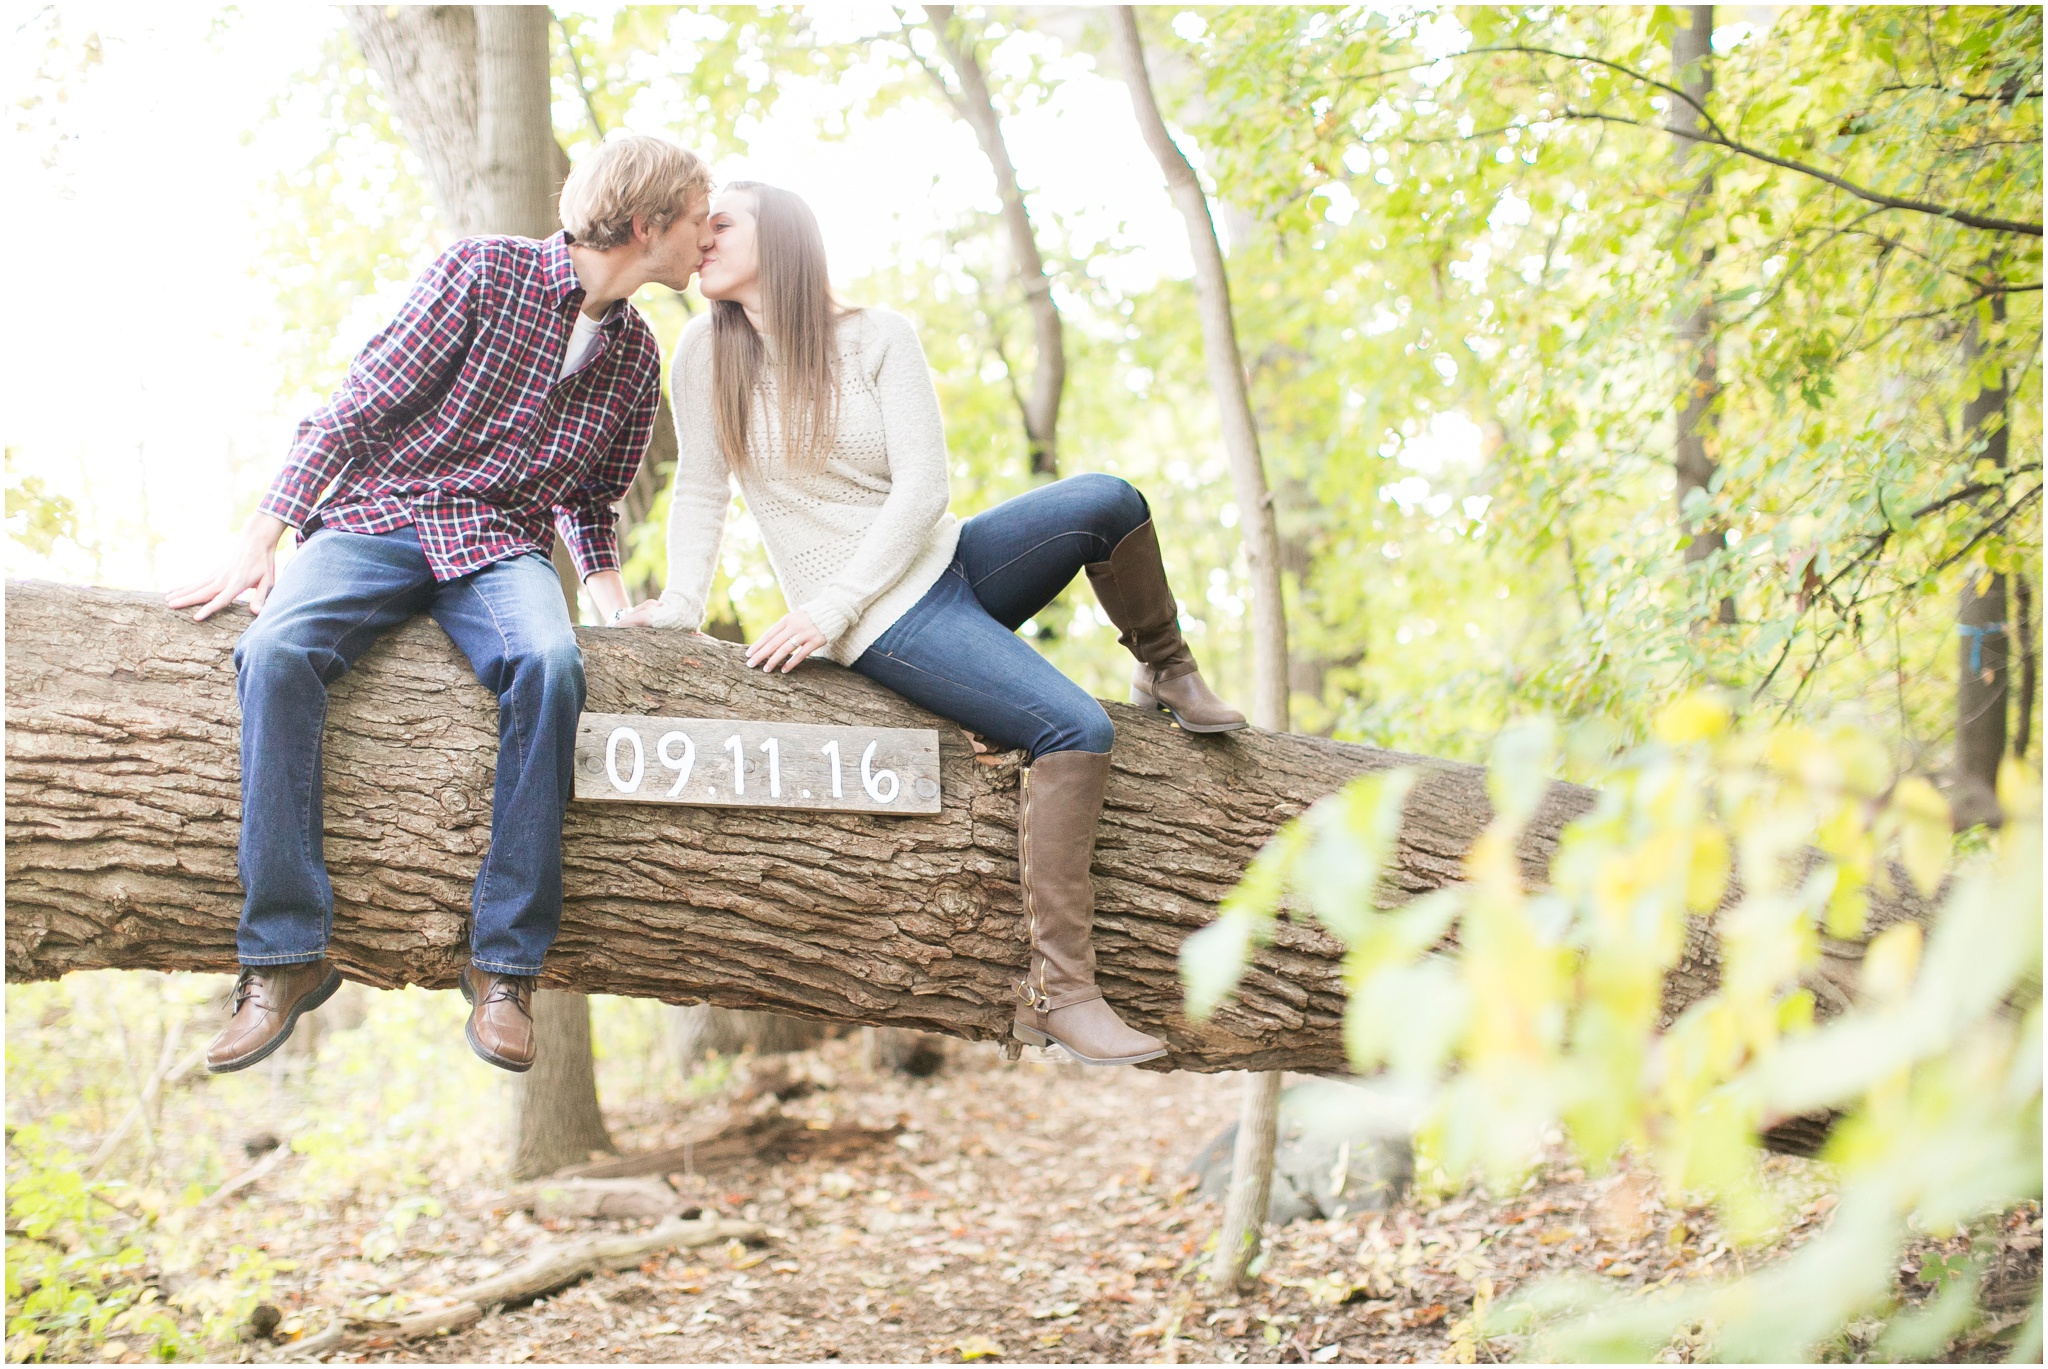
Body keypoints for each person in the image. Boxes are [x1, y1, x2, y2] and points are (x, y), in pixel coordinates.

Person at [620, 182, 1246, 1066]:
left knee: (1108, 500)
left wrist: (832, 600)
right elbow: (700, 489)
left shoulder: (878, 336)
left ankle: (1167, 667)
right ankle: (1061, 992)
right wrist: (688, 605)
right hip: (880, 620)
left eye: (722, 224)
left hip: (945, 563)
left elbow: (924, 490)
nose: (701, 238)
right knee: (1076, 727)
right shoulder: (701, 352)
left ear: (785, 238)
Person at [168, 135, 714, 1076]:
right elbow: (359, 407)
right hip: (378, 517)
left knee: (550, 665)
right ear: (646, 224)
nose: (708, 238)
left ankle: (504, 966)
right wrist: (261, 535)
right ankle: (285, 956)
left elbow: (589, 501)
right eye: (700, 220)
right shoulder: (482, 272)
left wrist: (614, 598)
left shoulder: (636, 355)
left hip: (498, 549)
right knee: (274, 652)